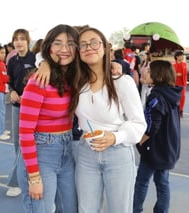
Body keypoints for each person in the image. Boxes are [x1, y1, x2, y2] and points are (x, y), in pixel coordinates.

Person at [69, 27, 146, 213]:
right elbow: (52, 60)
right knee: (86, 209)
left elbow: (139, 123)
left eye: (94, 42)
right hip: (86, 153)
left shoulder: (122, 82)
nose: (89, 48)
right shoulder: (76, 82)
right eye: (83, 45)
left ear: (105, 48)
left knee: (120, 209)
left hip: (118, 154)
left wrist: (114, 137)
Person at [17, 24, 79, 213]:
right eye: (57, 43)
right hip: (42, 153)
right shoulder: (39, 81)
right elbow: (25, 131)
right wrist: (34, 177)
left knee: (70, 209)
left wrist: (114, 65)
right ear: (49, 47)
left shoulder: (75, 77)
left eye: (70, 43)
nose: (64, 49)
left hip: (67, 152)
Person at [133, 60, 182, 213]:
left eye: (148, 71)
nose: (145, 72)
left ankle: (135, 209)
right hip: (168, 147)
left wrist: (140, 142)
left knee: (142, 182)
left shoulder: (156, 96)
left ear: (158, 74)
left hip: (154, 149)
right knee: (163, 183)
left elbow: (152, 126)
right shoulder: (171, 93)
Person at [6, 29, 36, 197]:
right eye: (16, 39)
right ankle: (21, 179)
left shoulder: (36, 59)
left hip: (34, 109)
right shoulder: (12, 61)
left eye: (22, 39)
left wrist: (29, 96)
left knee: (33, 145)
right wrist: (12, 91)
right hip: (17, 108)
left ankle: (19, 181)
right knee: (18, 145)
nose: (19, 42)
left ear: (28, 41)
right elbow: (9, 81)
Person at [173, 50, 187, 117]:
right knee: (175, 97)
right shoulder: (173, 65)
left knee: (183, 97)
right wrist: (176, 74)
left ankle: (181, 110)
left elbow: (185, 74)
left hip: (182, 83)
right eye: (181, 56)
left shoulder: (184, 64)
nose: (182, 57)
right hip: (174, 84)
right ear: (177, 57)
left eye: (183, 56)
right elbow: (171, 74)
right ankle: (175, 110)